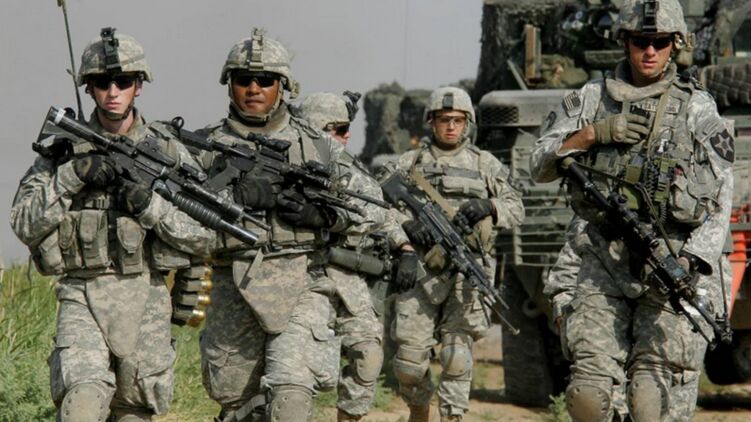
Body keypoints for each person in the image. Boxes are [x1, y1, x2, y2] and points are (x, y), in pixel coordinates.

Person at [530, 0, 734, 420]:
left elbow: (721, 196)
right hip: (603, 259)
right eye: (641, 41)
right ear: (625, 42)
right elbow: (539, 165)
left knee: (649, 398)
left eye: (660, 42)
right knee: (588, 395)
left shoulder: (698, 107)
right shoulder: (591, 98)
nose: (650, 51)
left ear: (675, 44)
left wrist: (688, 259)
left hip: (669, 261)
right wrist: (591, 134)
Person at [10, 28, 215, 421]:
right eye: (103, 83)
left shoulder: (167, 153)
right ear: (89, 88)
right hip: (82, 294)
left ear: (139, 86)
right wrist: (72, 176)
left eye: (123, 82)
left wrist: (150, 206)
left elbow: (204, 235)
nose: (113, 92)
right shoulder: (63, 150)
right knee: (81, 404)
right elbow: (23, 223)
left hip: (147, 296)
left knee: (134, 411)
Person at [196, 28, 386, 421]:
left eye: (265, 80)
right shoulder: (203, 148)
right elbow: (177, 219)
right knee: (236, 402)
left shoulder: (317, 146)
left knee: (291, 399)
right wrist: (232, 199)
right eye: (244, 79)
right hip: (234, 283)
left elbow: (374, 208)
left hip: (304, 281)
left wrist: (326, 217)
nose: (254, 88)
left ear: (283, 86)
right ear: (229, 84)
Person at [384, 86, 524, 421]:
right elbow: (378, 207)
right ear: (431, 122)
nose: (450, 126)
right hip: (419, 271)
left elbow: (517, 208)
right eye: (444, 119)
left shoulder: (485, 164)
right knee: (409, 362)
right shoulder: (409, 163)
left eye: (458, 120)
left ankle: (452, 416)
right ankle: (419, 408)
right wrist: (405, 228)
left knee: (456, 355)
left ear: (468, 123)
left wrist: (488, 206)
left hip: (467, 271)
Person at [298, 91, 416, 421]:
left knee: (368, 356)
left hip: (348, 275)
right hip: (303, 277)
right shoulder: (289, 163)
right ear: (316, 127)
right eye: (338, 129)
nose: (347, 136)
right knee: (303, 370)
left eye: (347, 128)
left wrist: (404, 247)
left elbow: (379, 210)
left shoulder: (351, 167)